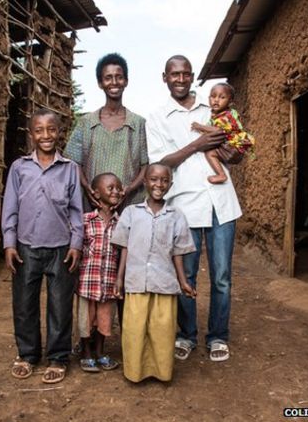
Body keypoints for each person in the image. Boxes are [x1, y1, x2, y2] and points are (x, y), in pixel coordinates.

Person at [146, 55, 243, 363]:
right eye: (174, 74)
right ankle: (186, 335)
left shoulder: (214, 106)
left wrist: (234, 152)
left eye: (186, 74)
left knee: (222, 276)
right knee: (184, 275)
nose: (180, 79)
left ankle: (217, 336)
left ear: (192, 77)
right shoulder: (158, 117)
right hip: (183, 205)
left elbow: (234, 147)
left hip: (220, 203)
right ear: (165, 77)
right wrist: (197, 145)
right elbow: (161, 163)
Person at [1, 109, 83, 384]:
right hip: (26, 247)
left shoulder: (70, 169)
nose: (46, 135)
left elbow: (75, 210)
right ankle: (27, 354)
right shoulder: (19, 167)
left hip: (61, 248)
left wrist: (76, 243)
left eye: (51, 129)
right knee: (24, 305)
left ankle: (58, 357)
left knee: (60, 305)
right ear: (31, 134)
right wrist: (9, 243)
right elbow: (10, 207)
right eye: (39, 130)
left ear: (60, 133)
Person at [110, 162, 197, 382]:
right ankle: (135, 372)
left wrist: (183, 281)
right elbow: (124, 248)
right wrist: (119, 279)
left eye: (165, 180)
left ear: (171, 184)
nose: (159, 184)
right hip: (136, 282)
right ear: (145, 182)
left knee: (162, 331)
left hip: (164, 282)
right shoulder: (131, 213)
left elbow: (178, 253)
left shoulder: (176, 216)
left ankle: (161, 372)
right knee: (135, 330)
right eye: (154, 179)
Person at [64, 52, 148, 211]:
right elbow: (73, 162)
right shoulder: (86, 122)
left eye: (119, 77)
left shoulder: (138, 124)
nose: (114, 82)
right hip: (93, 206)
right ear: (100, 83)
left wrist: (128, 190)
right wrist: (87, 187)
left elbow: (145, 167)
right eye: (108, 77)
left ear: (126, 81)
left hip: (129, 207)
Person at [76, 172, 122, 373]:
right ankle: (86, 352)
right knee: (86, 319)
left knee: (105, 319)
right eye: (110, 188)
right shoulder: (86, 220)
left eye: (118, 188)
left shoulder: (121, 223)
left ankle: (100, 351)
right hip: (88, 281)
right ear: (96, 193)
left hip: (109, 282)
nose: (116, 191)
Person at [191, 82, 254, 184]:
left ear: (230, 101)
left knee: (210, 153)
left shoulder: (226, 115)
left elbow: (220, 131)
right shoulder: (218, 114)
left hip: (232, 147)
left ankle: (221, 175)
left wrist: (200, 126)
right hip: (231, 146)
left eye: (222, 97)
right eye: (213, 96)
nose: (216, 100)